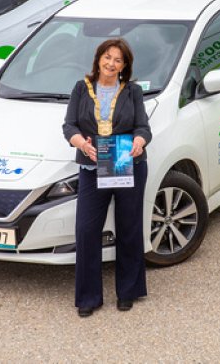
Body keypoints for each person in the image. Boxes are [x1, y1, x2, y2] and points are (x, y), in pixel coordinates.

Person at [62, 38, 152, 318]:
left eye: (118, 60)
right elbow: (69, 125)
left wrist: (139, 141)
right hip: (92, 167)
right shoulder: (81, 87)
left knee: (129, 227)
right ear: (98, 58)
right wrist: (81, 143)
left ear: (124, 65)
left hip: (127, 164)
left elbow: (143, 127)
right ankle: (89, 297)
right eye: (107, 57)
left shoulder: (132, 91)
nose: (111, 63)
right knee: (87, 231)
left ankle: (128, 291)